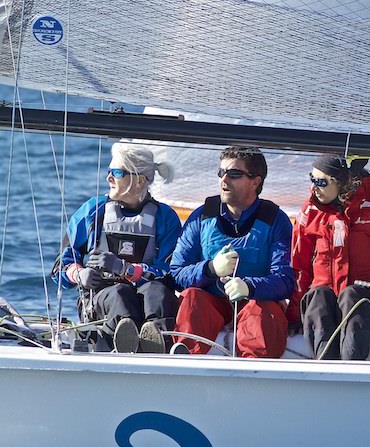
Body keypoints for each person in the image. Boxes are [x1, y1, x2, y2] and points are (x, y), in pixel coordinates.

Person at [53, 142, 181, 353]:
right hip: (102, 297)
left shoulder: (165, 218)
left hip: (146, 295)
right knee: (120, 293)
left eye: (117, 172)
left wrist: (127, 270)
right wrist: (78, 274)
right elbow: (60, 266)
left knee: (156, 291)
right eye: (110, 171)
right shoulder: (93, 211)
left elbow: (172, 273)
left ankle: (156, 340)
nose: (109, 178)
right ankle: (125, 341)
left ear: (140, 180)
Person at [170, 145, 293, 357]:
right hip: (213, 304)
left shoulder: (276, 221)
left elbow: (285, 280)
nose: (224, 180)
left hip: (253, 304)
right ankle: (185, 363)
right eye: (221, 173)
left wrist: (249, 287)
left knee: (262, 311)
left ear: (256, 181)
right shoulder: (202, 216)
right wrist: (210, 269)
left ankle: (254, 372)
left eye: (234, 174)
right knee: (192, 298)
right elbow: (177, 273)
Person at [287, 154, 370, 360]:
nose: (314, 187)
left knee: (351, 295)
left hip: (367, 310)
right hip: (324, 310)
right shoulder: (310, 211)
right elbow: (299, 268)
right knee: (319, 295)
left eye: (321, 181)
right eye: (311, 178)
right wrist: (292, 316)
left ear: (342, 182)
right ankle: (326, 370)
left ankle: (351, 368)